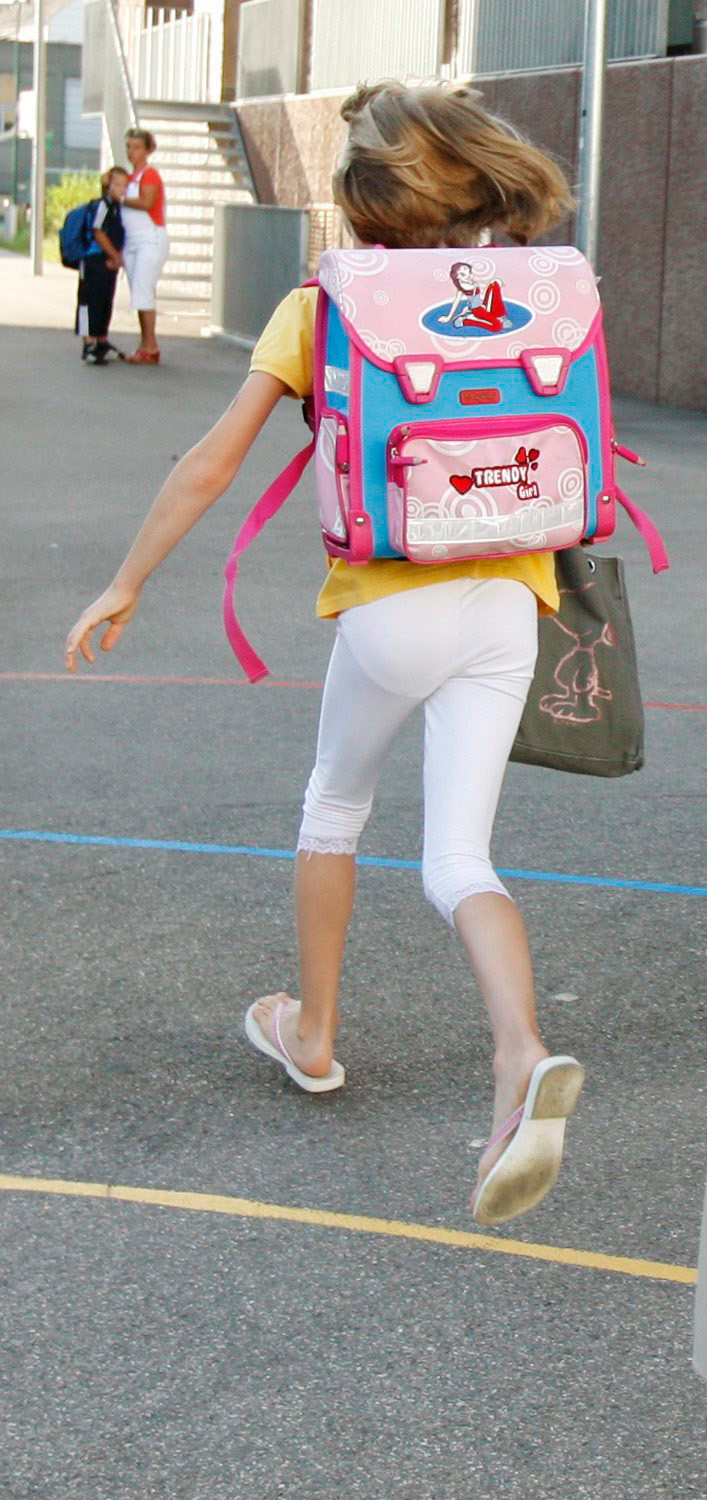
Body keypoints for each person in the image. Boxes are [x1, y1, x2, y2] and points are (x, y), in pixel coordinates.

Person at [61, 81, 588, 1230]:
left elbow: (209, 463)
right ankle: (520, 1049)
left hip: (391, 604)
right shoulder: (536, 289)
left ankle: (314, 1034)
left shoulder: (325, 307)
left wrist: (127, 580)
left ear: (360, 208)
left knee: (333, 811)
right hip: (509, 598)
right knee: (460, 856)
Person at [118, 128, 169, 365]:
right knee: (139, 291)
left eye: (137, 147)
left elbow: (146, 202)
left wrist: (120, 197)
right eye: (129, 146)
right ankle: (145, 343)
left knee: (144, 289)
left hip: (150, 238)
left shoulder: (150, 175)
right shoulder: (131, 176)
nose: (132, 152)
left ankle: (151, 346)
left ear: (148, 150)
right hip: (134, 240)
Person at [76, 167, 128, 366]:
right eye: (117, 184)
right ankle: (88, 344)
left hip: (108, 262)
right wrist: (115, 256)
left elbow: (118, 235)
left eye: (124, 185)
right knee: (89, 302)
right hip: (94, 260)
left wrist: (116, 258)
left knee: (105, 301)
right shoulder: (102, 206)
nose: (120, 189)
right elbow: (98, 232)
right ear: (107, 184)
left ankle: (101, 341)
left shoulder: (116, 207)